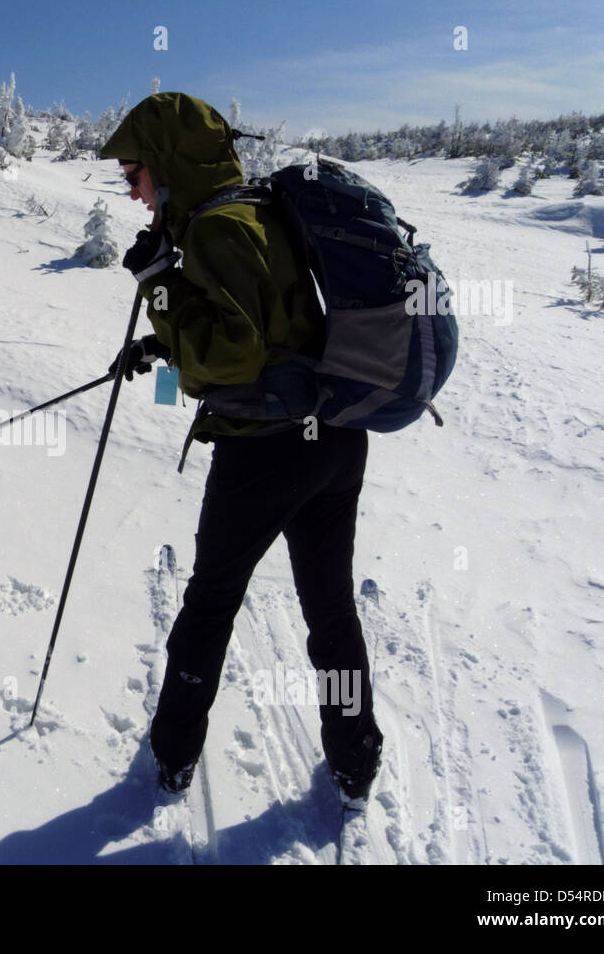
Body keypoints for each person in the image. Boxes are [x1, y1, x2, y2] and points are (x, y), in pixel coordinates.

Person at [99, 92, 383, 804]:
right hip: (334, 438)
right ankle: (356, 759)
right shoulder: (253, 209)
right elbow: (264, 325)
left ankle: (170, 757)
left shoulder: (215, 228)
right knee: (330, 606)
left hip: (266, 453)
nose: (131, 193)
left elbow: (229, 352)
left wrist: (158, 287)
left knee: (212, 599)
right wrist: (156, 344)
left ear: (165, 168)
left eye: (133, 174)